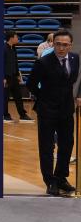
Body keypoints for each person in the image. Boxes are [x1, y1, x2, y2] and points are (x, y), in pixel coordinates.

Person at [25, 29, 81, 196]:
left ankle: (61, 177)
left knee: (67, 144)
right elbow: (31, 84)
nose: (61, 48)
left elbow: (71, 82)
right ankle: (50, 181)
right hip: (47, 110)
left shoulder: (75, 58)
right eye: (58, 44)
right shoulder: (43, 62)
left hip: (66, 110)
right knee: (47, 147)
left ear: (70, 45)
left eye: (65, 45)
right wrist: (44, 98)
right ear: (53, 44)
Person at [5, 31, 31, 123]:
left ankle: (22, 115)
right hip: (6, 77)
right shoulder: (3, 48)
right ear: (11, 38)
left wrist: (18, 75)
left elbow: (15, 62)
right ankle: (5, 115)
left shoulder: (14, 48)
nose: (18, 39)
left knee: (18, 96)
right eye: (16, 37)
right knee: (5, 97)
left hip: (13, 76)